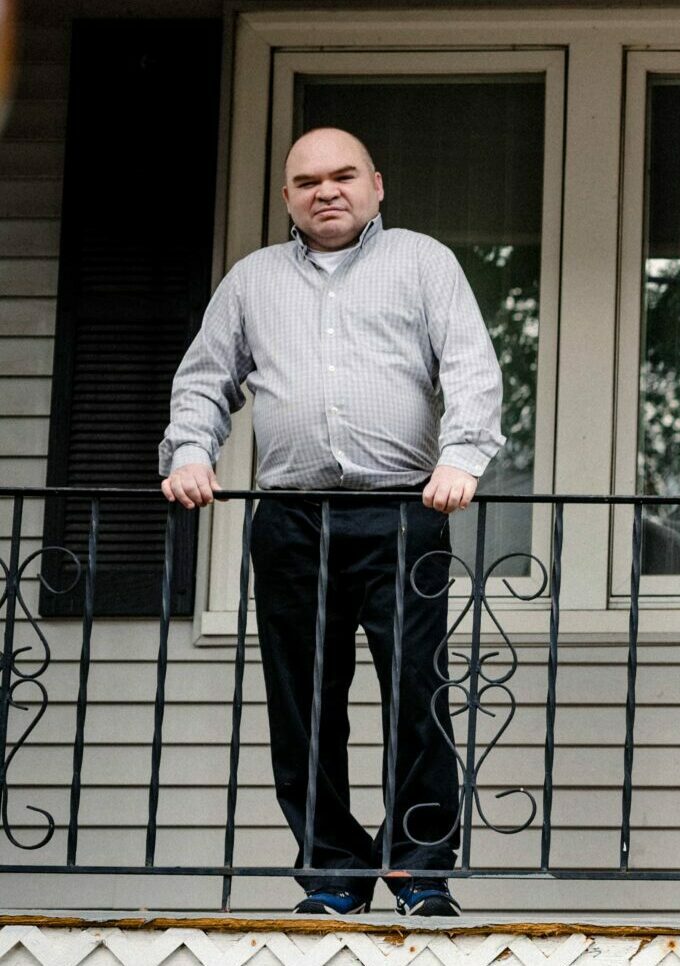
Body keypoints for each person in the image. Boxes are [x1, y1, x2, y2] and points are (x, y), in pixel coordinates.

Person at [159, 127, 504, 918]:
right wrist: (188, 451)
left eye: (342, 176)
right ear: (288, 198)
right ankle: (332, 871)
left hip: (404, 511)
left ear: (376, 185)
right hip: (290, 518)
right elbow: (205, 380)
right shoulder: (251, 280)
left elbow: (471, 369)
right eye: (307, 181)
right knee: (303, 698)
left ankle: (419, 869)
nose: (326, 191)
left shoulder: (422, 262)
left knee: (416, 691)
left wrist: (462, 457)